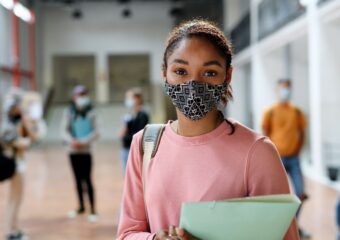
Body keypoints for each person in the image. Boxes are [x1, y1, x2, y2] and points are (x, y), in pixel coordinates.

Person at [117, 19, 299, 240]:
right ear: (165, 73)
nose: (193, 84)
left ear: (227, 76)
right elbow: (127, 233)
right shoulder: (145, 144)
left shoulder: (257, 152)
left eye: (210, 73)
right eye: (181, 71)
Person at [262, 79, 309, 238]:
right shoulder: (270, 111)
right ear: (277, 90)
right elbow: (265, 132)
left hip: (294, 159)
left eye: (287, 89)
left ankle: (294, 224)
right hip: (277, 159)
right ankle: (281, 227)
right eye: (282, 89)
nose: (285, 92)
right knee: (277, 195)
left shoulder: (297, 111)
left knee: (300, 192)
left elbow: (302, 133)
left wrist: (297, 149)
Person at [1, 88, 44, 240]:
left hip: (19, 163)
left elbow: (35, 137)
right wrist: (25, 140)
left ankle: (14, 228)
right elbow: (20, 143)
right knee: (14, 199)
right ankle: (9, 232)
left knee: (16, 199)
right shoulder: (8, 125)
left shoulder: (18, 121)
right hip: (14, 164)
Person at [61, 85, 99, 223]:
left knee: (87, 179)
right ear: (74, 97)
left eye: (84, 94)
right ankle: (81, 206)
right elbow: (64, 130)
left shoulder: (92, 112)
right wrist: (72, 141)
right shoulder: (69, 112)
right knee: (77, 180)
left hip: (86, 151)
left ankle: (93, 209)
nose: (81, 97)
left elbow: (96, 132)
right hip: (72, 151)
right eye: (79, 95)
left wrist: (83, 141)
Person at [120, 88, 149, 173]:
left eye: (130, 98)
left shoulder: (143, 115)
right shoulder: (131, 114)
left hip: (133, 148)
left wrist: (125, 137)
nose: (129, 100)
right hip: (126, 147)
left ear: (138, 98)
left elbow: (139, 133)